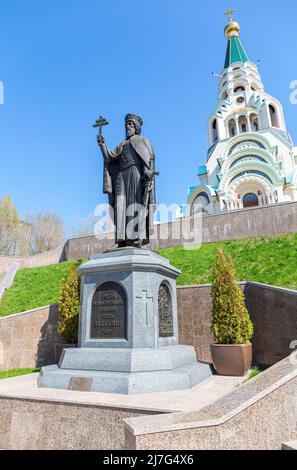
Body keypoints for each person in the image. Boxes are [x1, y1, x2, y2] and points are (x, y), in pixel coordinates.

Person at [97, 114, 156, 247]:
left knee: (134, 204)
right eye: (126, 125)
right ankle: (121, 239)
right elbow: (108, 158)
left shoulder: (143, 141)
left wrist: (149, 171)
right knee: (120, 205)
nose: (127, 127)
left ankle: (136, 237)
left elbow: (151, 158)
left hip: (135, 173)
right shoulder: (122, 144)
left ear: (136, 127)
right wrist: (102, 144)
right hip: (121, 176)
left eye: (130, 124)